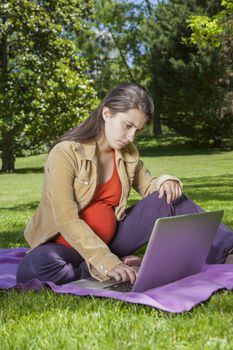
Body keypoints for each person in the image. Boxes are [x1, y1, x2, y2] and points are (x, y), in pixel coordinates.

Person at [16, 83, 233, 286]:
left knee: (170, 199)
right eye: (127, 126)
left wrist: (166, 180)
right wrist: (108, 262)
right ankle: (100, 269)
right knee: (35, 267)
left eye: (136, 131)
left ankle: (228, 250)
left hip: (115, 240)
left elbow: (150, 187)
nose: (130, 137)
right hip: (66, 248)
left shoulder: (127, 154)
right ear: (107, 113)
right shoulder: (66, 153)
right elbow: (66, 218)